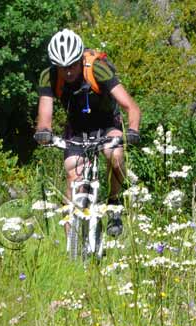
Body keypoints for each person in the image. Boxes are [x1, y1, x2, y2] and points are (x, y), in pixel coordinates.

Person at [33, 28, 141, 237]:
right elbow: (44, 115)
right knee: (73, 174)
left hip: (107, 123)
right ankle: (70, 247)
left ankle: (113, 202)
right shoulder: (49, 76)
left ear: (80, 59)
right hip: (78, 128)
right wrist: (44, 132)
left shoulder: (97, 69)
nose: (69, 72)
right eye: (63, 67)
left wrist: (133, 130)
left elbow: (131, 107)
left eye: (73, 65)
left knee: (115, 155)